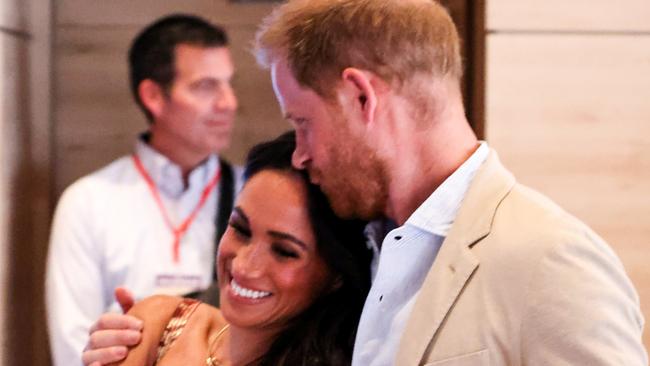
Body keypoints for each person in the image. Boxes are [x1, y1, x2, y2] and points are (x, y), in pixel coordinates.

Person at [83, 1, 648, 365]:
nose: (300, 155)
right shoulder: (366, 235)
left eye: (302, 123)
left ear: (361, 97)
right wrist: (178, 327)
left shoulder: (549, 259)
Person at [46, 14, 244, 366]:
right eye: (206, 87)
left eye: (229, 84)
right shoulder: (89, 201)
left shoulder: (252, 194)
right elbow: (72, 353)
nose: (228, 103)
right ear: (153, 95)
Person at [101, 132, 371, 366]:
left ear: (336, 274)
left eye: (284, 251)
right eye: (240, 230)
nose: (244, 265)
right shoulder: (162, 323)